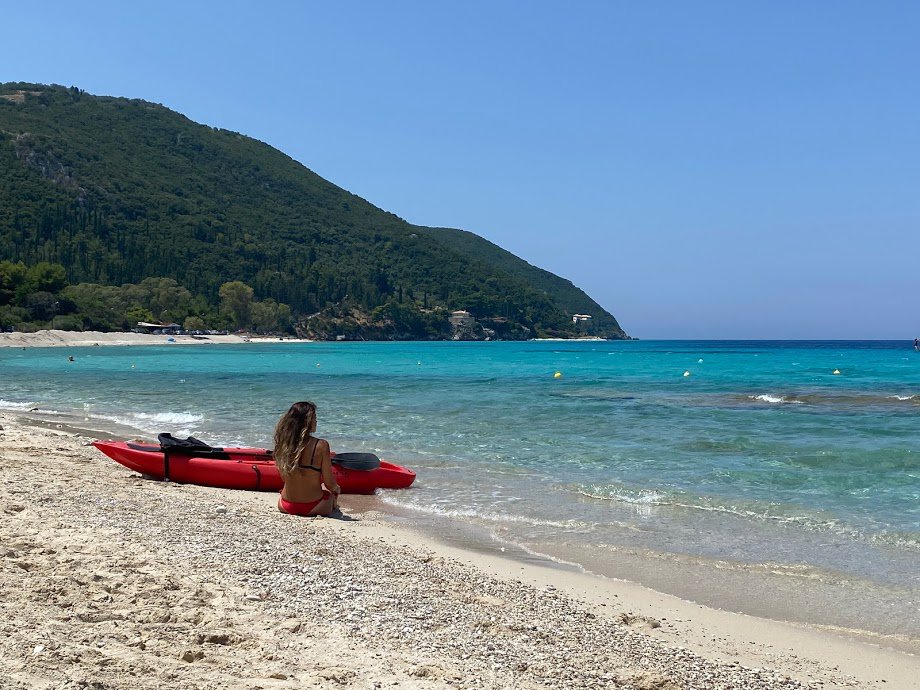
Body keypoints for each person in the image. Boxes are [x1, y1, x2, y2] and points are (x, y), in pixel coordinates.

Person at [273, 401, 340, 517]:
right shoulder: (321, 445)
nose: (316, 421)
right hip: (314, 506)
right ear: (307, 421)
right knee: (330, 493)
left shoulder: (284, 444)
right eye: (314, 418)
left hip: (285, 504)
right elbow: (329, 483)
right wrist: (337, 489)